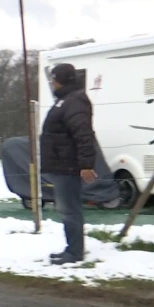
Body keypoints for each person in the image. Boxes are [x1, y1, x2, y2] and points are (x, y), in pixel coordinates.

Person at [40, 63, 98, 265]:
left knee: (70, 208)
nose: (52, 83)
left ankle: (75, 252)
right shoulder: (65, 100)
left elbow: (83, 134)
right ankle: (71, 248)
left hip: (68, 164)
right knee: (66, 208)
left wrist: (86, 164)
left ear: (60, 80)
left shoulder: (74, 102)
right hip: (61, 163)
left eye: (53, 79)